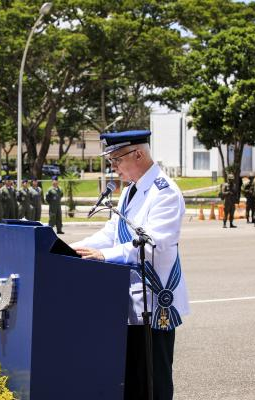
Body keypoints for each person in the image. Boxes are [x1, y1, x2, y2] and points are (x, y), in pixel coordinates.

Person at [70, 131, 189, 400]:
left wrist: (104, 256)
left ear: (138, 154)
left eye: (116, 159)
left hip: (153, 303)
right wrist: (71, 248)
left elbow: (153, 243)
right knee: (131, 381)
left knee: (153, 381)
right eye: (111, 160)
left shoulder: (165, 193)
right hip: (126, 300)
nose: (113, 166)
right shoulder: (130, 192)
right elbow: (112, 233)